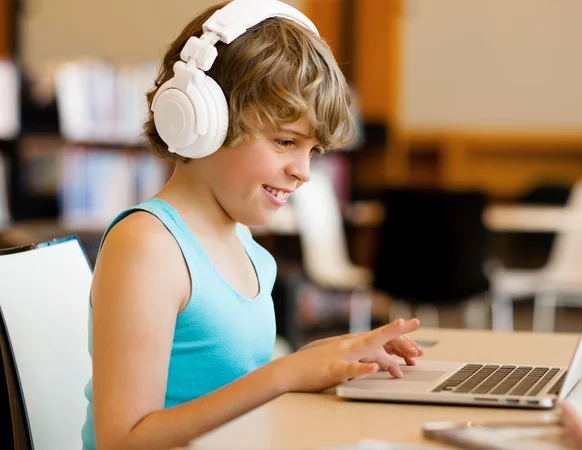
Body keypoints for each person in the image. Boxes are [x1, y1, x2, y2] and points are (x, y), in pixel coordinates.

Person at [81, 1, 424, 449]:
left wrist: (320, 360)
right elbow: (120, 440)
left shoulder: (243, 242)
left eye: (312, 151)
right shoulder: (148, 245)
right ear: (201, 120)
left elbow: (223, 386)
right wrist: (283, 376)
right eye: (285, 142)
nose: (303, 171)